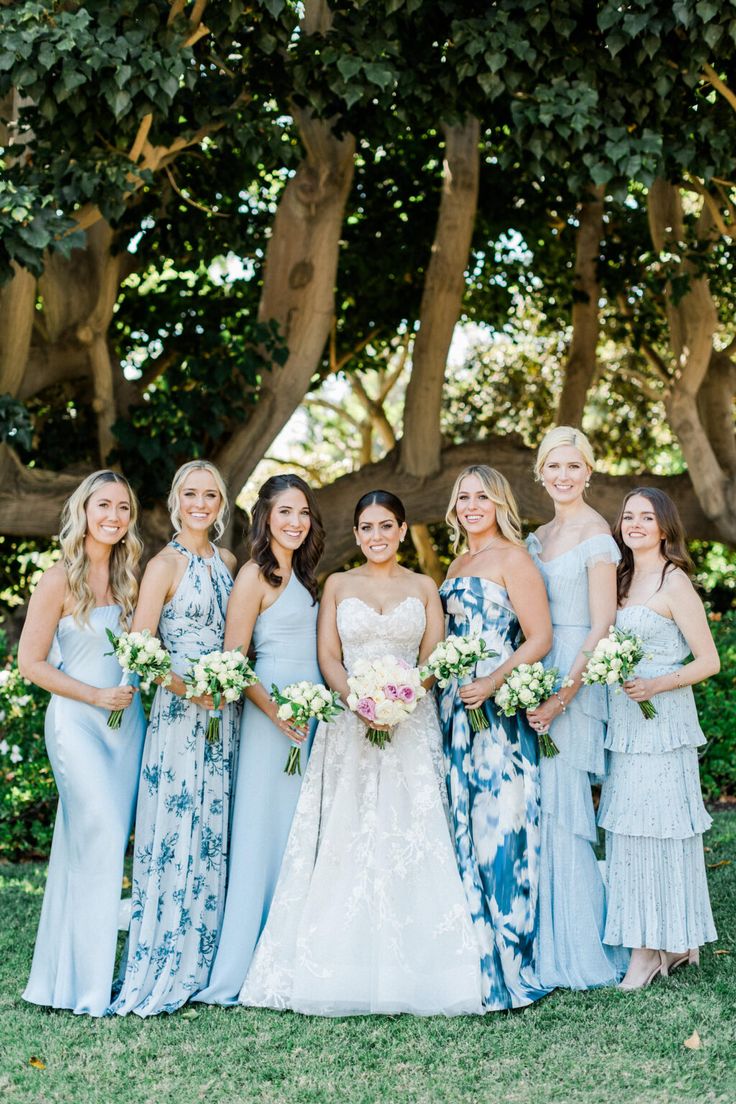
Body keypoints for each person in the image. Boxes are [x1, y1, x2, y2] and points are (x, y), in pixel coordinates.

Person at [240, 490, 483, 1016]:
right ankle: (337, 963)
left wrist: (401, 700)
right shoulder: (336, 584)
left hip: (411, 725)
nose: (377, 536)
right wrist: (359, 699)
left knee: (410, 834)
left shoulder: (423, 586)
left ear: (401, 531)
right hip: (349, 723)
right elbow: (328, 655)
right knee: (347, 835)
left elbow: (435, 658)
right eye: (367, 527)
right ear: (356, 535)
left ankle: (420, 965)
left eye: (386, 526)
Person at [108, 460, 237, 1017]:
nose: (201, 503)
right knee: (177, 828)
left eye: (211, 495)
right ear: (174, 500)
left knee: (214, 826)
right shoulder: (162, 565)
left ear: (222, 502)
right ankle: (168, 956)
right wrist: (186, 687)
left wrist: (227, 683)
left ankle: (208, 956)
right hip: (180, 716)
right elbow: (137, 649)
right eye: (191, 494)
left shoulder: (230, 561)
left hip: (224, 715)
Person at [195, 474, 325, 1005]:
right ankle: (246, 959)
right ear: (265, 518)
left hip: (312, 717)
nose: (295, 522)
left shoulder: (307, 576)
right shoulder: (254, 575)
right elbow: (235, 658)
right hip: (273, 719)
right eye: (284, 513)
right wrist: (274, 713)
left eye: (303, 513)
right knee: (263, 833)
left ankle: (291, 946)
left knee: (299, 832)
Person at [19, 471, 145, 1016]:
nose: (114, 516)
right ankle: (93, 991)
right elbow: (31, 664)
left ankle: (61, 980)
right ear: (84, 510)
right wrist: (94, 695)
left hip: (127, 726)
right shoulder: (57, 580)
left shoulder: (132, 579)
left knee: (91, 846)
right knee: (103, 834)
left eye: (123, 507)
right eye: (104, 506)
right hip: (77, 721)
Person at [438, 465, 553, 1011]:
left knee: (502, 831)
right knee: (461, 826)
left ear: (500, 502)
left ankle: (513, 963)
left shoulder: (513, 558)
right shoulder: (457, 562)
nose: (472, 505)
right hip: (454, 710)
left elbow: (540, 636)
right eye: (464, 497)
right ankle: (475, 960)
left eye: (482, 496)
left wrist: (492, 680)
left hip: (497, 714)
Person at [599, 488, 719, 989]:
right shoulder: (620, 578)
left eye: (646, 517)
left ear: (664, 528)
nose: (635, 524)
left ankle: (649, 952)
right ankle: (671, 943)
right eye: (628, 516)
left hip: (662, 724)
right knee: (629, 828)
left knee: (661, 827)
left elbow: (709, 661)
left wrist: (655, 684)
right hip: (626, 726)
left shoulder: (676, 583)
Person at [525, 426, 628, 988]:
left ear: (589, 472)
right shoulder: (536, 536)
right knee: (537, 803)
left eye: (573, 466)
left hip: (574, 675)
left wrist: (564, 695)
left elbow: (603, 622)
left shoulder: (597, 536)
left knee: (565, 806)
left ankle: (575, 946)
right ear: (540, 473)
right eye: (554, 466)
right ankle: (537, 933)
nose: (563, 476)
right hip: (533, 667)